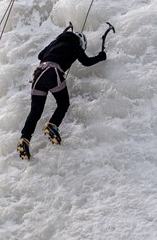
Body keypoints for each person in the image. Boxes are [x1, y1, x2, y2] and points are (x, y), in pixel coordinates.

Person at [18, 25, 106, 160]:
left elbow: (40, 55)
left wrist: (54, 47)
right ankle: (53, 125)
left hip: (38, 74)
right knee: (63, 103)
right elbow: (86, 62)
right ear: (81, 42)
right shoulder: (75, 45)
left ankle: (24, 139)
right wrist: (101, 57)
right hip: (53, 72)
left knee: (35, 112)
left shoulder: (55, 42)